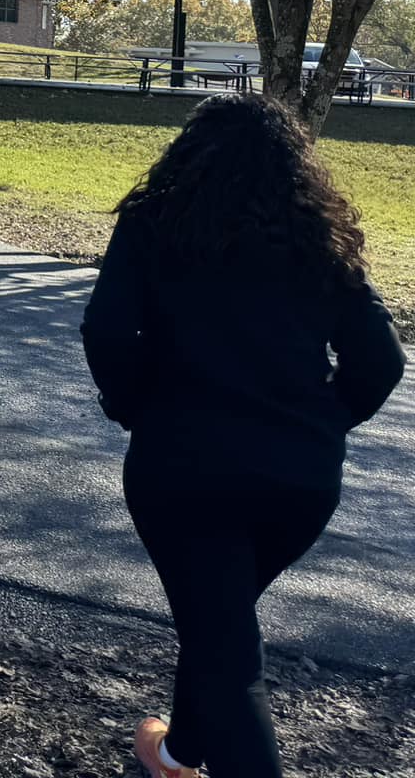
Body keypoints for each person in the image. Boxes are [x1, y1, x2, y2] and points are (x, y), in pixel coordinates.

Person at [82, 94, 404, 778]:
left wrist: (137, 408)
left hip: (183, 468)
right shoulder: (321, 237)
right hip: (298, 482)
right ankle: (178, 755)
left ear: (190, 153)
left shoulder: (154, 221)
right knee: (219, 623)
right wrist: (319, 425)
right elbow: (381, 360)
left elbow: (107, 332)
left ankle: (193, 755)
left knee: (228, 652)